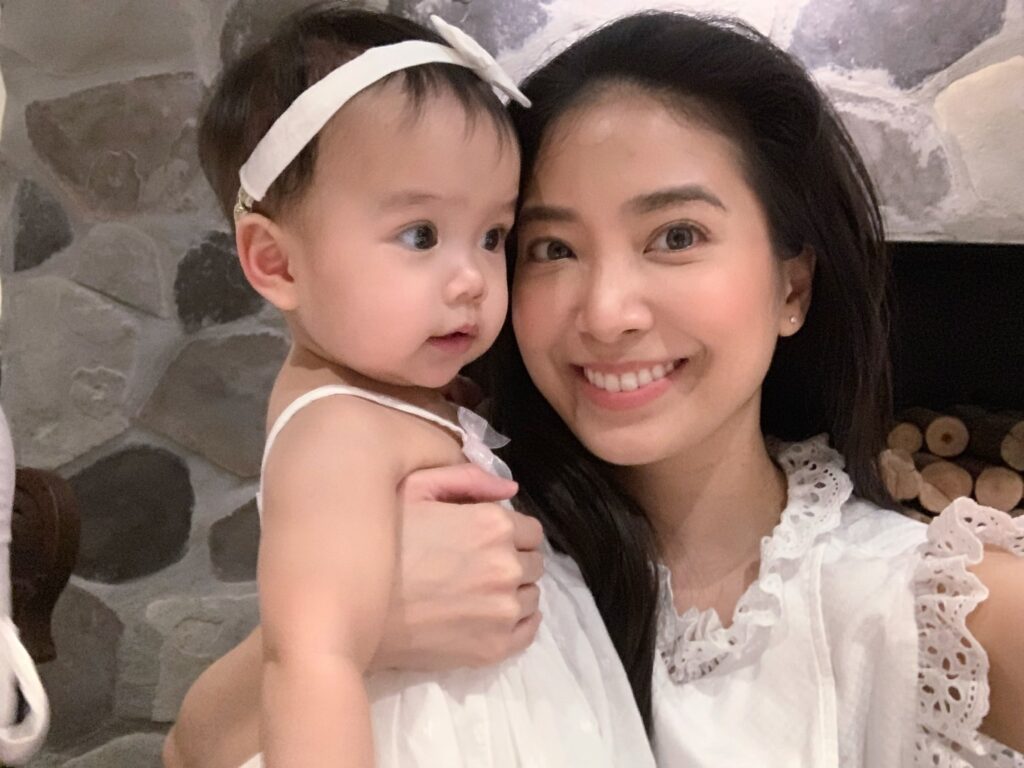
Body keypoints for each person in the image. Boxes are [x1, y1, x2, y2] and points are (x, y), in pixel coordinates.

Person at [169, 9, 1024, 768]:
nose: (608, 313)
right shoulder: (462, 528)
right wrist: (378, 628)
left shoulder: (931, 614)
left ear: (792, 286)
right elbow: (195, 750)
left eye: (676, 235)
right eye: (551, 248)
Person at [184, 5, 654, 768]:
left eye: (493, 236)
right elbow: (310, 662)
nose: (472, 279)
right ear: (276, 262)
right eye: (420, 235)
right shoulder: (337, 429)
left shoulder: (411, 400)